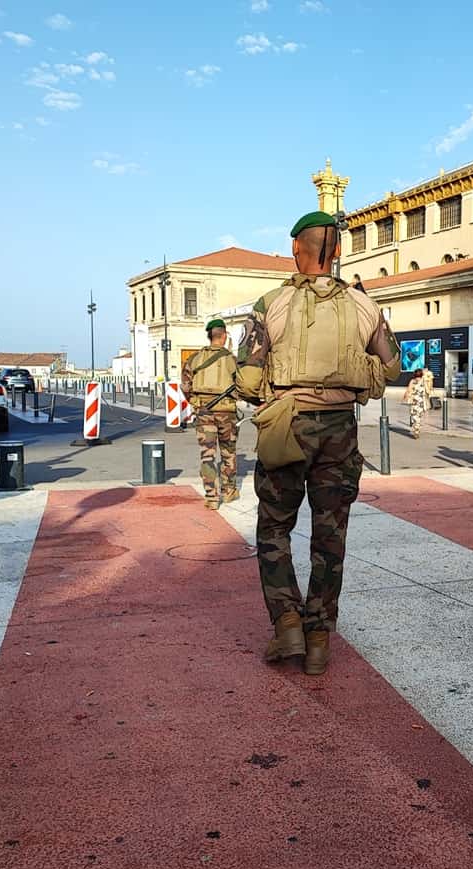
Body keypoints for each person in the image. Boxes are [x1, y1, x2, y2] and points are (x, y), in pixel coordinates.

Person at [235, 211, 401, 676]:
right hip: (340, 430)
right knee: (330, 537)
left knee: (273, 528)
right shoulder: (365, 307)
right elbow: (391, 368)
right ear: (340, 253)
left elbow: (247, 381)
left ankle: (287, 624)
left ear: (295, 249)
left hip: (287, 426)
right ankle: (319, 637)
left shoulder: (270, 304)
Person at [182, 318, 240, 510]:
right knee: (228, 452)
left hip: (204, 412)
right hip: (227, 413)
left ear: (209, 336)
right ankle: (229, 490)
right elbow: (244, 384)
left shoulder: (194, 359)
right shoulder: (231, 359)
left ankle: (211, 497)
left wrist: (194, 402)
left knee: (207, 455)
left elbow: (185, 385)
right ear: (223, 336)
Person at [407, 370, 427, 438]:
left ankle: (416, 430)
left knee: (414, 417)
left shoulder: (412, 381)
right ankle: (416, 430)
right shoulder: (423, 381)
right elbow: (426, 391)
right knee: (418, 417)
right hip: (421, 402)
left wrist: (408, 397)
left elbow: (409, 390)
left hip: (414, 402)